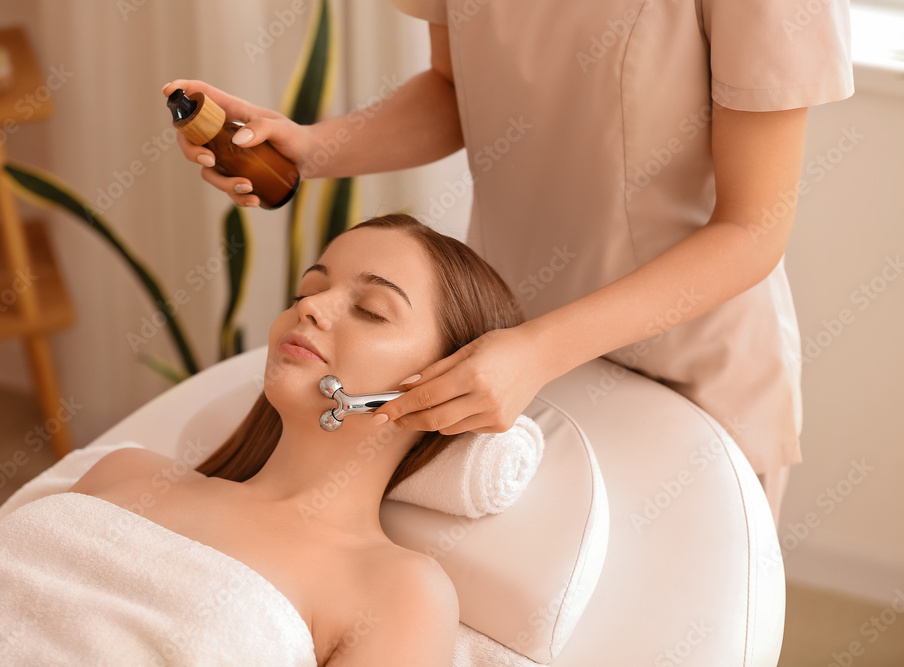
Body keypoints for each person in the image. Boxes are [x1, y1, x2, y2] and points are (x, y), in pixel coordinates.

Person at [161, 0, 854, 527]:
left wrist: (535, 350)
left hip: (683, 358)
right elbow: (452, 88)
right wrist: (313, 149)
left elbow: (753, 227)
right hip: (497, 349)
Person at [0, 214, 525, 665]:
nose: (311, 309)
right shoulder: (127, 474)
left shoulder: (396, 591)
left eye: (370, 309)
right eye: (309, 290)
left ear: (443, 385)